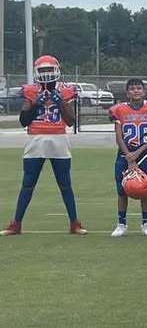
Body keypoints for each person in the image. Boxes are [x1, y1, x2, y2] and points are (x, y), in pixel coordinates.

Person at [2, 56, 86, 236]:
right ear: (36, 72)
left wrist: (60, 102)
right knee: (28, 184)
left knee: (65, 184)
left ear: (56, 70)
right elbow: (24, 121)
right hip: (36, 139)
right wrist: (35, 103)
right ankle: (16, 223)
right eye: (43, 71)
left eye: (49, 70)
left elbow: (71, 121)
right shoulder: (30, 91)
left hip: (59, 139)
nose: (46, 74)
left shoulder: (66, 90)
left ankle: (74, 223)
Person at [109, 78, 147, 237]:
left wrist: (136, 155)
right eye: (132, 89)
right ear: (127, 93)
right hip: (124, 154)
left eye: (139, 88)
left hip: (143, 155)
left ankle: (146, 223)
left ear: (144, 91)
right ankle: (121, 223)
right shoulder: (119, 110)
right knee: (122, 191)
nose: (136, 91)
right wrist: (129, 157)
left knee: (145, 190)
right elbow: (118, 137)